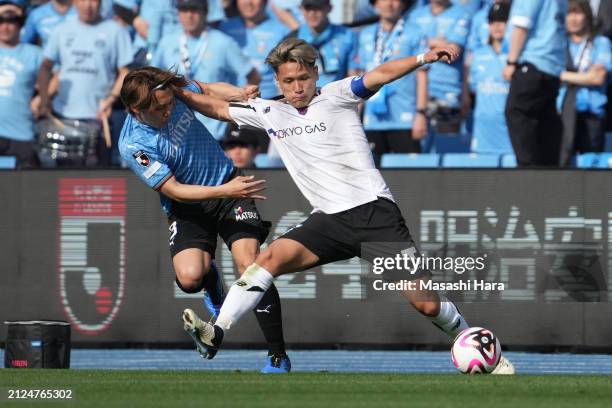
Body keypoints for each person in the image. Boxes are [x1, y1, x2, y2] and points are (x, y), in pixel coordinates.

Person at [175, 38, 515, 374]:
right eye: (288, 81)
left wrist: (423, 57)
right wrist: (179, 93)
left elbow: (380, 74)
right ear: (277, 82)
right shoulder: (269, 111)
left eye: (303, 78)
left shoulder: (338, 95)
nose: (297, 87)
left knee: (426, 304)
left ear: (315, 73)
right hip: (327, 222)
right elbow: (217, 108)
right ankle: (217, 331)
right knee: (267, 260)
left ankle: (478, 343)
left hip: (374, 214)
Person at [117, 66, 291, 373]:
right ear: (136, 109)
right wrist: (225, 189)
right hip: (189, 204)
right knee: (189, 279)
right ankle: (211, 282)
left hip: (228, 187)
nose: (170, 109)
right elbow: (174, 190)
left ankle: (277, 356)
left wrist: (239, 93)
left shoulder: (171, 90)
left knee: (251, 266)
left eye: (171, 102)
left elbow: (208, 88)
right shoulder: (134, 145)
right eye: (160, 109)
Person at [36, 0, 133, 167]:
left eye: (93, 1)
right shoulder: (62, 29)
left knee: (94, 180)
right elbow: (46, 67)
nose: (87, 5)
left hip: (97, 118)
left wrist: (110, 99)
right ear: (74, 2)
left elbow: (125, 72)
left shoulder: (115, 30)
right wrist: (44, 98)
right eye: (82, 0)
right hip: (63, 116)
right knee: (61, 181)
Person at [152, 0, 260, 140]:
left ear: (205, 13)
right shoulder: (166, 42)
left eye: (195, 10)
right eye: (184, 10)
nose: (189, 15)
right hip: (176, 131)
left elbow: (253, 75)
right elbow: (152, 80)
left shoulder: (224, 42)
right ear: (178, 13)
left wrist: (240, 101)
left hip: (215, 129)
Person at [353, 0, 428, 165]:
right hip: (372, 118)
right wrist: (354, 116)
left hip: (405, 117)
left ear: (402, 4)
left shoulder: (415, 33)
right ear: (375, 5)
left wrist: (421, 114)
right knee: (373, 174)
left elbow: (422, 75)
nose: (389, 4)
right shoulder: (366, 35)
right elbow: (359, 75)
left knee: (410, 174)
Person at [503, 0, 567, 167]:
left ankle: (529, 171)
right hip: (552, 67)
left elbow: (522, 25)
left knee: (517, 112)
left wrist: (511, 62)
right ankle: (548, 173)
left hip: (534, 62)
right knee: (545, 122)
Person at [408, 0, 471, 152]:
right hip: (414, 95)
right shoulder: (415, 15)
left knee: (448, 151)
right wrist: (439, 43)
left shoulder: (461, 14)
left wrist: (422, 44)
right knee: (415, 154)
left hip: (447, 94)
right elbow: (407, 49)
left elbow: (452, 53)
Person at [558, 0, 611, 165]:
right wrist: (584, 76)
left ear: (587, 16)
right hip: (563, 113)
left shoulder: (600, 43)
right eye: (569, 13)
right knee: (563, 163)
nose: (573, 19)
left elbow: (597, 77)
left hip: (591, 115)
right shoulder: (558, 43)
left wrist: (562, 75)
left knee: (592, 165)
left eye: (578, 13)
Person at [0, 0, 42, 168]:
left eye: (11, 21)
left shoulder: (34, 53)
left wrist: (41, 98)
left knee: (25, 190)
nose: (5, 26)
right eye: (0, 21)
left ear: (21, 23)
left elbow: (57, 76)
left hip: (21, 133)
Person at [219, 0, 290, 98]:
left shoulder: (282, 31)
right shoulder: (224, 28)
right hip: (230, 102)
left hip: (267, 101)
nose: (248, 2)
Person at [468, 2, 513, 154]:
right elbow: (473, 87)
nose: (497, 26)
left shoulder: (516, 55)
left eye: (502, 21)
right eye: (492, 21)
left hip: (509, 131)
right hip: (483, 130)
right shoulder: (479, 55)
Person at [288, 0, 358, 87]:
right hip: (304, 97)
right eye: (308, 8)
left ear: (329, 8)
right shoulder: (291, 40)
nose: (312, 13)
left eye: (318, 8)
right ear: (301, 9)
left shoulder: (347, 35)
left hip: (339, 95)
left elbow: (354, 75)